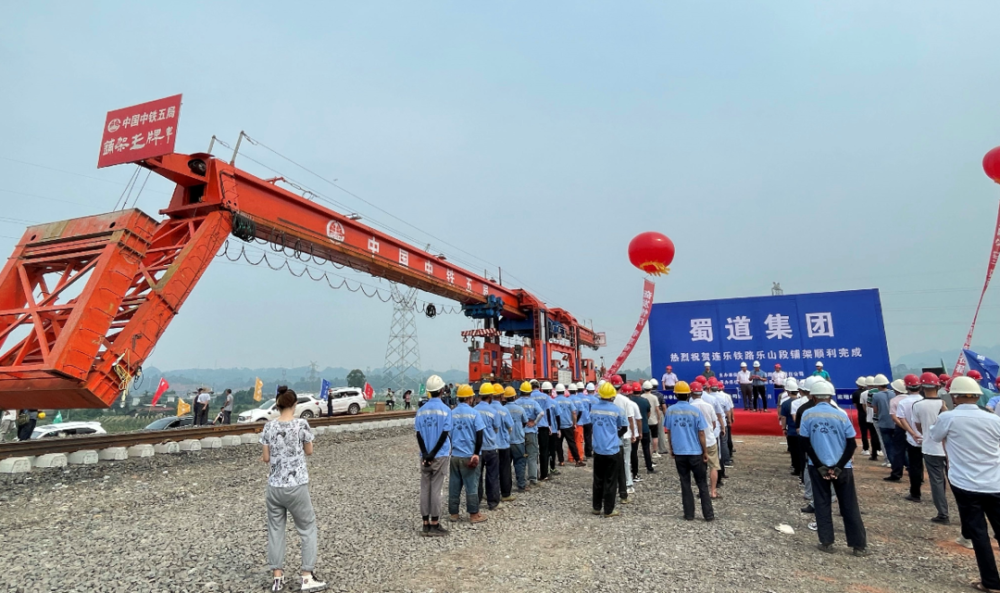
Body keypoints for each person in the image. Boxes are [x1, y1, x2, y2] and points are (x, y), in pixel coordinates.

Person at [928, 376, 1000, 592]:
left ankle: (991, 582)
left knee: (978, 533)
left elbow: (935, 436)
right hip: (995, 482)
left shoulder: (948, 418)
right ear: (977, 396)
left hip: (965, 484)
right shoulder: (994, 419)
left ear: (954, 396)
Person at [259, 386, 326, 592]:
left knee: (276, 530)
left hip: (274, 487)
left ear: (277, 404)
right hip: (296, 486)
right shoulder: (301, 424)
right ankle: (307, 576)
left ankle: (277, 578)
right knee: (307, 528)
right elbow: (309, 450)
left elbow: (266, 458)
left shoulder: (269, 427)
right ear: (295, 404)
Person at [798, 380, 867, 556]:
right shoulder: (841, 415)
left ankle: (826, 541)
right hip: (843, 467)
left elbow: (805, 443)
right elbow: (852, 444)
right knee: (849, 505)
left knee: (822, 503)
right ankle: (858, 545)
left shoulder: (807, 415)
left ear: (812, 396)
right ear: (830, 396)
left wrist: (820, 465)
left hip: (817, 467)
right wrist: (838, 467)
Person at [663, 381, 714, 521]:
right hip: (696, 452)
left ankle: (689, 514)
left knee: (685, 483)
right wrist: (705, 452)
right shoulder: (695, 411)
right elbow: (701, 433)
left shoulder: (670, 410)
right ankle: (708, 515)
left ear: (676, 395)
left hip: (680, 453)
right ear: (688, 394)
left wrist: (671, 449)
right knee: (702, 484)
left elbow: (669, 432)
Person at [415, 375, 451, 537]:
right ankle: (435, 523)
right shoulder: (445, 410)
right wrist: (434, 454)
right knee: (436, 489)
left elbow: (419, 435)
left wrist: (426, 454)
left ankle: (425, 523)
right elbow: (444, 435)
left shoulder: (421, 411)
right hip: (440, 454)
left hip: (425, 455)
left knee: (425, 488)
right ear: (442, 391)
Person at [911, 372, 949, 524]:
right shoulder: (945, 403)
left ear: (922, 386)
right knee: (956, 481)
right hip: (949, 449)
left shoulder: (918, 405)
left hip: (930, 447)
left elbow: (919, 426)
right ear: (937, 385)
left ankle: (943, 514)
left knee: (937, 481)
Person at [591, 381, 630, 517]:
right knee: (611, 480)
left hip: (598, 449)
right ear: (612, 396)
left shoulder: (594, 409)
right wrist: (614, 436)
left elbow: (592, 425)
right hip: (612, 449)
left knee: (598, 479)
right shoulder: (617, 410)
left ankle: (596, 507)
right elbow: (624, 427)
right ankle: (608, 510)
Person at [448, 385, 487, 523]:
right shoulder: (474, 413)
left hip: (455, 456)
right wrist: (476, 453)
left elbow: (446, 433)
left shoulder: (451, 413)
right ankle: (473, 514)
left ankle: (453, 513)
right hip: (469, 456)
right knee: (472, 485)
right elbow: (480, 433)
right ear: (470, 398)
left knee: (454, 484)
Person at [895, 374, 925, 503]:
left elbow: (902, 420)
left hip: (913, 439)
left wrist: (912, 433)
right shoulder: (925, 400)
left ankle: (915, 493)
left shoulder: (903, 402)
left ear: (907, 387)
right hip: (928, 439)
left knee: (914, 466)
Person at [690, 382, 721, 499]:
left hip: (696, 441)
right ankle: (713, 491)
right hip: (710, 440)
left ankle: (702, 490)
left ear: (691, 393)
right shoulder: (709, 406)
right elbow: (714, 423)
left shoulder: (691, 406)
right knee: (713, 466)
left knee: (700, 467)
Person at [474, 383, 502, 511]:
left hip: (477, 449)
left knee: (477, 476)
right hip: (491, 447)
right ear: (490, 396)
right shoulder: (494, 412)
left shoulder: (474, 410)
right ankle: (492, 502)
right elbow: (496, 428)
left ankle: (477, 500)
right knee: (492, 476)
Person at [870, 374, 900, 481]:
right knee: (898, 446)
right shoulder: (893, 394)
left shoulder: (876, 396)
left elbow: (875, 410)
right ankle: (906, 466)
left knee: (888, 446)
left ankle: (894, 467)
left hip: (883, 423)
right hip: (895, 423)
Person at [490, 383, 515, 502]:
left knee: (491, 471)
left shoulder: (487, 409)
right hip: (504, 444)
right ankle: (506, 494)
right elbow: (510, 427)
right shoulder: (504, 410)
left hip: (490, 446)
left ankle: (490, 493)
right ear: (501, 396)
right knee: (505, 469)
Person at [612, 378, 637, 500]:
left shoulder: (608, 400)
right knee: (626, 461)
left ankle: (615, 484)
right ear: (621, 386)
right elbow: (630, 419)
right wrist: (633, 433)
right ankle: (628, 484)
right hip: (625, 434)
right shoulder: (626, 401)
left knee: (614, 462)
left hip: (612, 436)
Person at [504, 386, 530, 493]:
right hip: (519, 440)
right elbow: (525, 422)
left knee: (505, 466)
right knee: (520, 463)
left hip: (506, 442)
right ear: (515, 396)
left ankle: (506, 488)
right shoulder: (520, 409)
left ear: (504, 398)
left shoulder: (503, 410)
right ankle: (521, 485)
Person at [518, 382, 543, 487]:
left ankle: (521, 480)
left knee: (520, 457)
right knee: (532, 456)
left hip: (520, 433)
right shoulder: (533, 403)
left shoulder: (516, 403)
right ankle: (533, 478)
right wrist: (534, 422)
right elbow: (541, 413)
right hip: (531, 432)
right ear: (530, 392)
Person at [629, 383, 654, 477]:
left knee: (633, 451)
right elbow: (648, 413)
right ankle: (649, 467)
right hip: (644, 427)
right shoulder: (645, 401)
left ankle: (634, 470)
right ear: (640, 390)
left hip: (634, 430)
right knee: (646, 449)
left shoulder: (629, 401)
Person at [532, 381, 555, 482]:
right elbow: (548, 411)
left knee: (532, 452)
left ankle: (533, 475)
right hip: (544, 426)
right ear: (539, 387)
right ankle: (544, 474)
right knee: (544, 451)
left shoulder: (529, 397)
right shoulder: (545, 397)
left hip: (532, 427)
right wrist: (550, 425)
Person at [779, 378, 802, 476]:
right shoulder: (802, 402)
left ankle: (796, 468)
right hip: (802, 430)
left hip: (792, 430)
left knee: (794, 450)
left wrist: (784, 428)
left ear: (788, 391)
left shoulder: (785, 403)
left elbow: (783, 417)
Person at [556, 384, 583, 466]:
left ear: (556, 392)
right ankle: (577, 460)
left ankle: (561, 461)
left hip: (558, 427)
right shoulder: (568, 401)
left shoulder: (554, 401)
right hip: (568, 425)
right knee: (572, 443)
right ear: (564, 391)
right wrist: (574, 423)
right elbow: (574, 413)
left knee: (559, 445)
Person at [852, 376, 878, 459]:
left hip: (862, 414)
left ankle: (866, 449)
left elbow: (858, 405)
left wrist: (864, 411)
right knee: (875, 433)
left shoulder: (857, 394)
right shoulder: (877, 392)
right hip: (874, 414)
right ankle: (878, 449)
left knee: (864, 432)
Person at [641, 381, 663, 459]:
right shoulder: (654, 397)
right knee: (655, 436)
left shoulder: (641, 397)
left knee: (645, 437)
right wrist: (659, 418)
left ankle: (646, 452)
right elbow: (657, 409)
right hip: (653, 420)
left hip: (644, 421)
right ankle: (654, 452)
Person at [582, 382, 597, 457]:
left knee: (587, 437)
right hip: (594, 420)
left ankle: (587, 452)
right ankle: (595, 451)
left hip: (585, 420)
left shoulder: (584, 399)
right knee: (596, 436)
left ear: (587, 390)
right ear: (594, 390)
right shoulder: (596, 400)